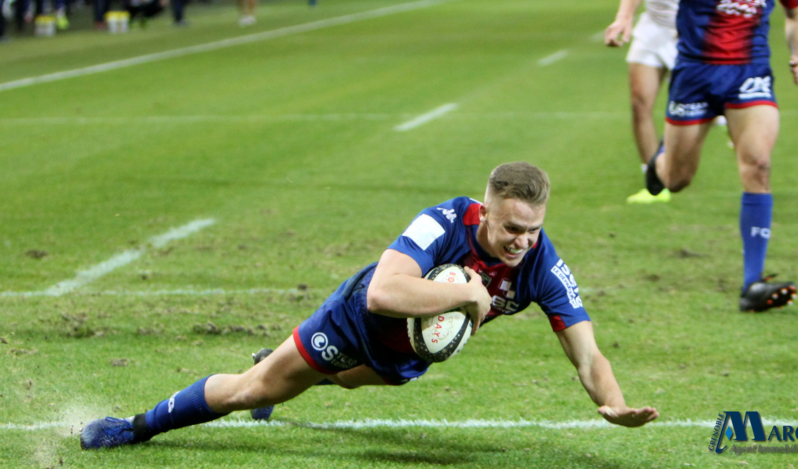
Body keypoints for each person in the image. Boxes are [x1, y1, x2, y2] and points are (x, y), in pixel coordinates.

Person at [80, 162, 659, 450]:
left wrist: (614, 403)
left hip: (408, 353)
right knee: (252, 391)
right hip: (357, 319)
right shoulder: (444, 221)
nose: (522, 241)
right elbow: (385, 292)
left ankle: (285, 364)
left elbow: (587, 354)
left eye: (534, 230)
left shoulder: (543, 266)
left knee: (349, 383)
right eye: (512, 228)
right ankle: (134, 428)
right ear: (486, 213)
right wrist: (467, 292)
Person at [605, 0, 798, 313]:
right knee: (677, 181)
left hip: (749, 72)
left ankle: (752, 283)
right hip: (695, 72)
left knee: (757, 164)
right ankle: (657, 167)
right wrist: (624, 17)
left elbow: (796, 13)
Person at [608, 0, 695, 204]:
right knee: (639, 103)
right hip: (651, 27)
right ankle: (653, 181)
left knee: (687, 109)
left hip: (687, 31)